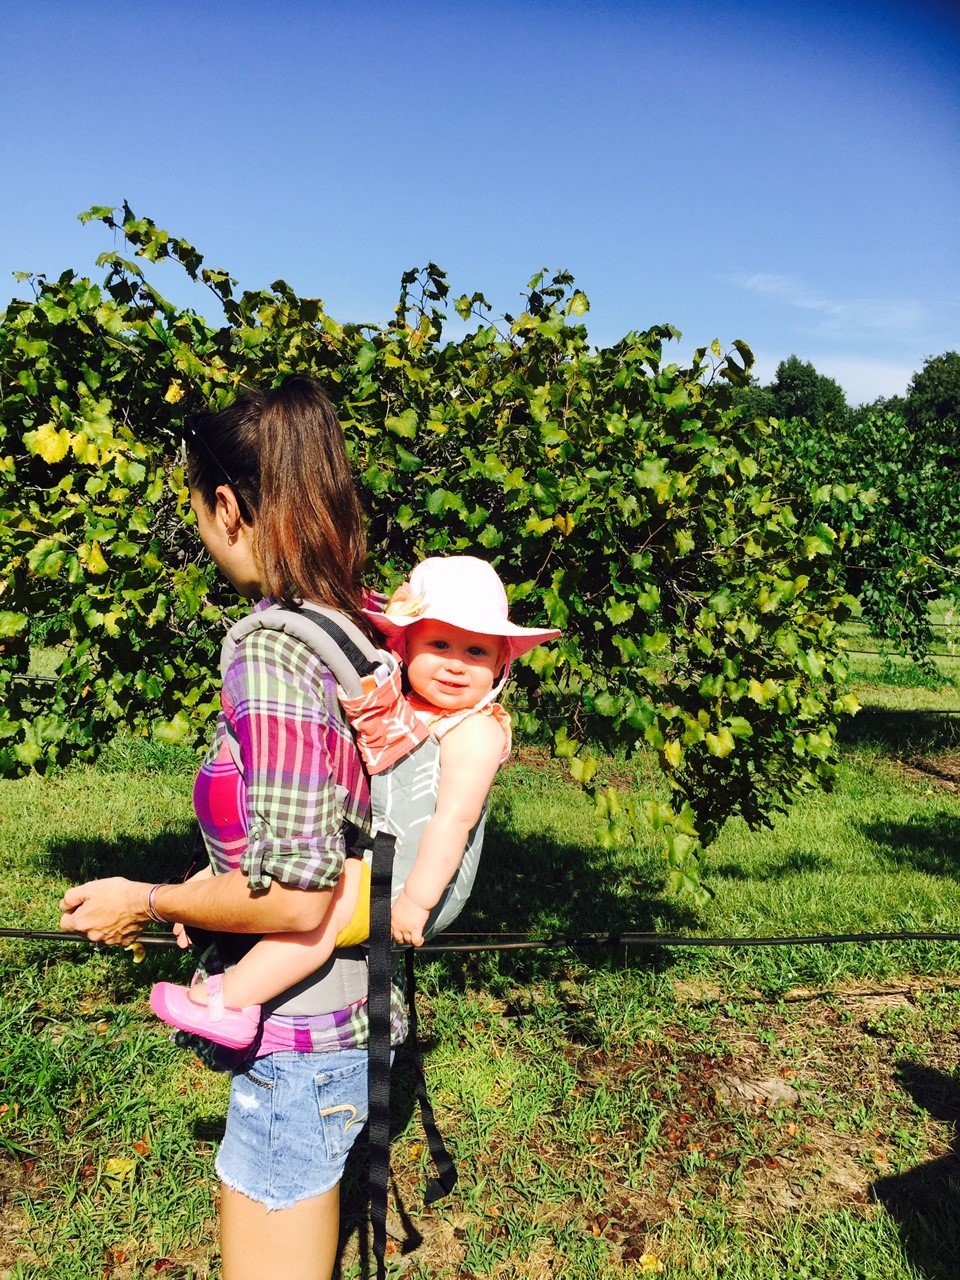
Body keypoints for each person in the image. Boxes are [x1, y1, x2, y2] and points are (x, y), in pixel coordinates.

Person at [58, 376, 406, 1280]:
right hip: (347, 1021)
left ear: (227, 505)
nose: (203, 535)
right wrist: (211, 902)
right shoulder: (353, 632)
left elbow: (295, 894)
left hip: (295, 1045)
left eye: (198, 512)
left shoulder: (272, 645)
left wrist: (145, 896)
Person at [148, 555, 561, 1049]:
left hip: (410, 883)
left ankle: (231, 1001)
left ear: (500, 664)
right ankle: (208, 916)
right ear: (406, 647)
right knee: (307, 892)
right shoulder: (405, 711)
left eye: (476, 651)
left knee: (316, 920)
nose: (455, 663)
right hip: (375, 864)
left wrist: (414, 903)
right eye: (439, 644)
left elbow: (455, 819)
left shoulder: (475, 731)